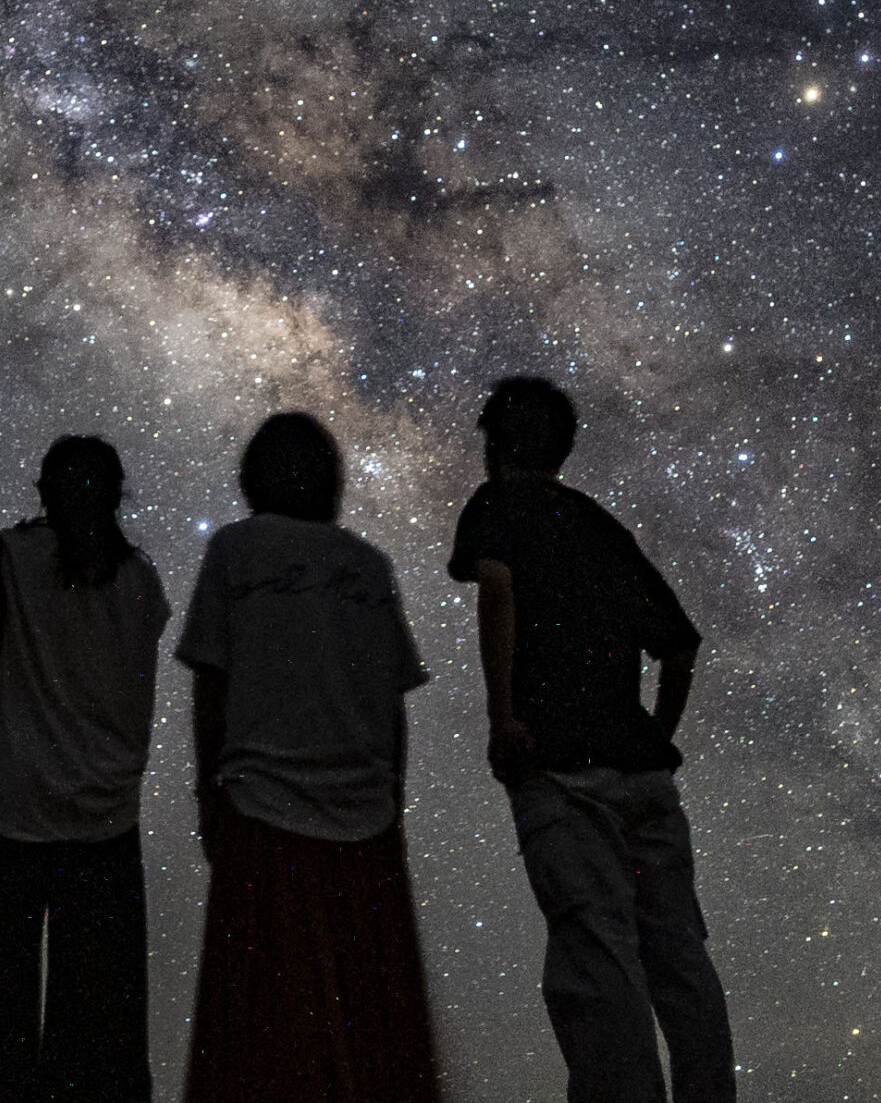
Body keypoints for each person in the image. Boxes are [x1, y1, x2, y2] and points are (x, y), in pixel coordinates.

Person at [448, 377, 736, 1103]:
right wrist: (653, 740)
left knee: (599, 962)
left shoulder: (498, 506)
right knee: (680, 961)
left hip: (562, 775)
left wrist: (502, 714)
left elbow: (497, 586)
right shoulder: (604, 528)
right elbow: (678, 650)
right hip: (643, 779)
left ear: (495, 445)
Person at [175, 412, 440, 1103]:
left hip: (262, 811)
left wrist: (209, 793)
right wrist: (393, 804)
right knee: (370, 1032)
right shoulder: (367, 564)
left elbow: (212, 680)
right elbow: (391, 706)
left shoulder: (235, 549)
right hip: (363, 821)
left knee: (261, 1036)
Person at [0, 436, 173, 1103]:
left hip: (12, 801)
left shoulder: (13, 554)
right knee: (101, 1026)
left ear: (43, 491)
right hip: (105, 812)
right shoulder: (141, 580)